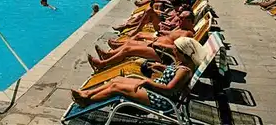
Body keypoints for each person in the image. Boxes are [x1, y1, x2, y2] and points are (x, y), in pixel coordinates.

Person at [71, 37, 206, 109]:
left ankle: (86, 101)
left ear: (183, 53)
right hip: (156, 89)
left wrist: (147, 81)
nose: (173, 51)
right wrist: (161, 67)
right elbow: (173, 76)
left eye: (176, 50)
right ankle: (87, 93)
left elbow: (169, 89)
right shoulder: (183, 64)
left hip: (160, 99)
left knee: (116, 88)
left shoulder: (184, 71)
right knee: (116, 80)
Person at [88, 16, 195, 72]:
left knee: (128, 50)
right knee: (129, 43)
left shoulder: (188, 34)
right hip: (157, 45)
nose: (179, 19)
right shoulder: (182, 28)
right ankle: (108, 55)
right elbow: (171, 36)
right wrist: (165, 32)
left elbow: (179, 49)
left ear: (190, 21)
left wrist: (160, 45)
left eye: (182, 18)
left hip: (164, 54)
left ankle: (103, 64)